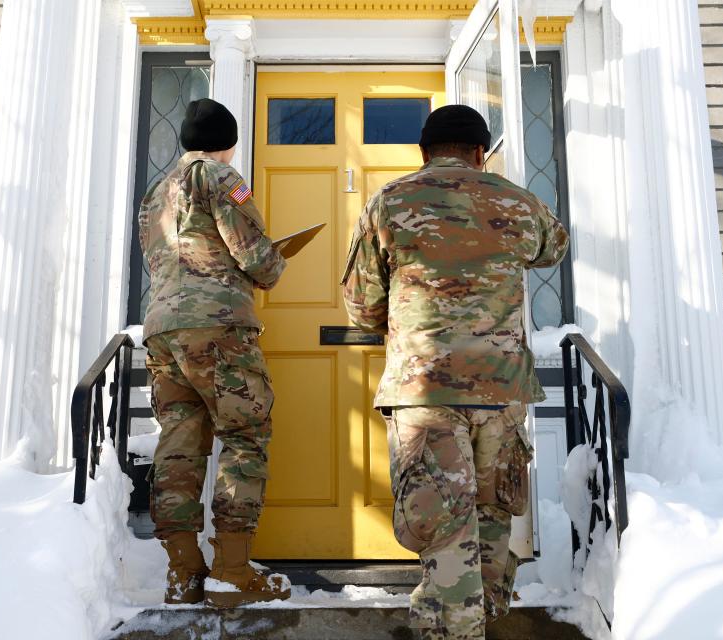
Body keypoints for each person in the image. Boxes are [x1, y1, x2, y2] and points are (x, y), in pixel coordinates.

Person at [342, 104, 570, 640]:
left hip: (425, 393)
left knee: (445, 532)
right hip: (503, 392)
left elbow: (361, 303)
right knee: (492, 525)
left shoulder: (390, 203)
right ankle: (482, 625)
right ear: (480, 153)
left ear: (424, 152)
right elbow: (552, 248)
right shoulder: (516, 200)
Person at [138, 98, 291, 608]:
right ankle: (231, 569)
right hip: (218, 328)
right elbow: (257, 260)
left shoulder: (155, 193)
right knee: (245, 439)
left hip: (162, 331)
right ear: (229, 142)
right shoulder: (223, 179)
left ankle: (183, 573)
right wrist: (277, 259)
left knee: (179, 447)